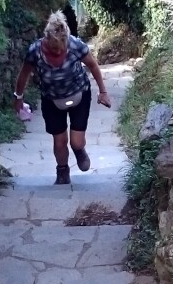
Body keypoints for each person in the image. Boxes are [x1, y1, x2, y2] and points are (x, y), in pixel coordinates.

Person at [13, 10, 112, 184]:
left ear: (67, 39)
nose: (58, 51)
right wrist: (18, 98)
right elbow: (24, 75)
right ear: (46, 39)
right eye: (53, 48)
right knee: (59, 140)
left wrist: (103, 91)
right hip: (51, 99)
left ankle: (79, 150)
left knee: (76, 141)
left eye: (61, 47)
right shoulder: (35, 51)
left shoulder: (75, 45)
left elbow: (93, 66)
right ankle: (62, 172)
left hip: (79, 93)